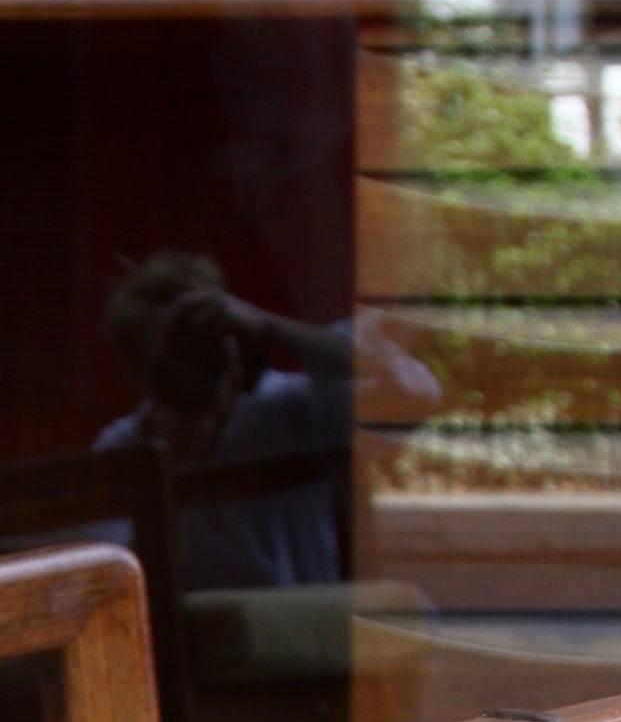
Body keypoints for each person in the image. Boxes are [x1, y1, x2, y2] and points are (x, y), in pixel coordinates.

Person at [96, 251, 438, 592]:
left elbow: (416, 390)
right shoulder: (126, 447)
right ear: (136, 370)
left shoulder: (286, 408)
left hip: (303, 635)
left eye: (201, 338)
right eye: (174, 348)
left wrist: (270, 327)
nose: (193, 358)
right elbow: (101, 565)